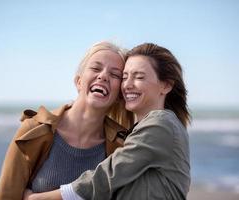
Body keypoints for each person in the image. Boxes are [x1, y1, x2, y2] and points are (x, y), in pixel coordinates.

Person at [24, 42, 191, 200]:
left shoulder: (161, 124)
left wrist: (39, 198)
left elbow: (107, 175)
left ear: (166, 86)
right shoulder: (138, 131)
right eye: (124, 77)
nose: (128, 85)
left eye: (139, 77)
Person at [0, 41, 134, 200]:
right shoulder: (33, 130)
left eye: (115, 74)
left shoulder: (122, 147)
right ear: (79, 82)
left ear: (119, 95)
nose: (103, 76)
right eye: (96, 68)